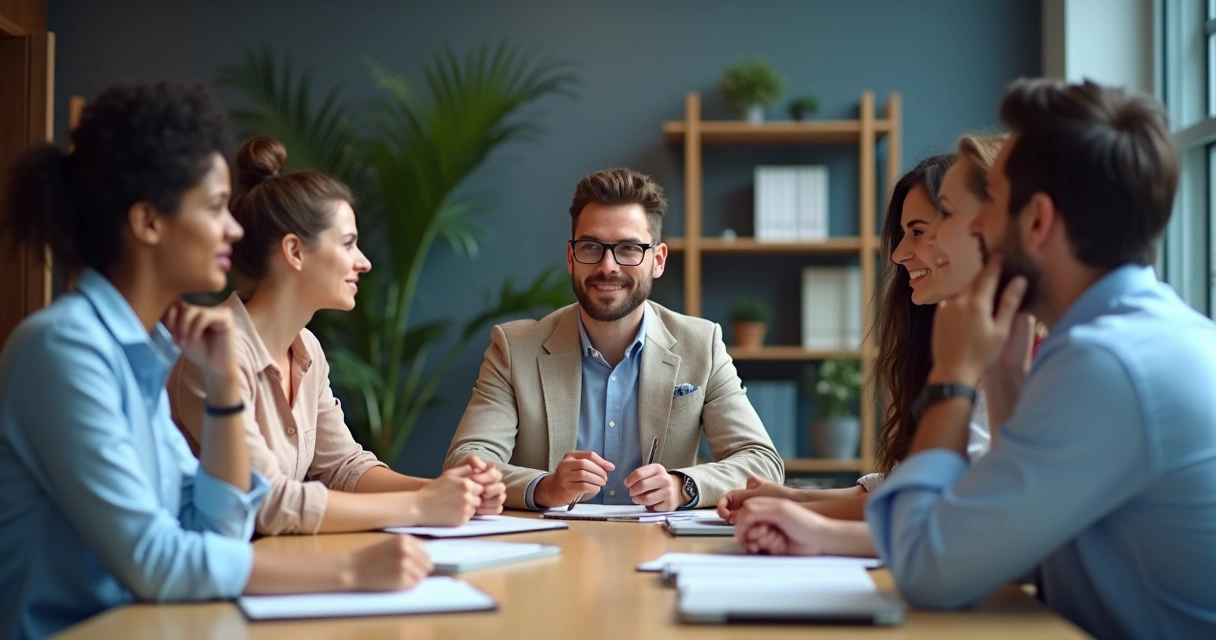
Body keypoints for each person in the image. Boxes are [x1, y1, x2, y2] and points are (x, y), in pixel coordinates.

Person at [0, 81, 431, 640]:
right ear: (148, 222)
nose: (233, 227)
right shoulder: (63, 349)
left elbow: (218, 527)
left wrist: (226, 389)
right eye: (212, 207)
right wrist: (348, 571)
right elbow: (155, 559)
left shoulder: (144, 350)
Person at [864, 78, 1216, 638]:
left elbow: (926, 567)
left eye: (991, 204)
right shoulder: (1137, 335)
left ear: (1037, 221)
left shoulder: (1105, 365)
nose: (974, 228)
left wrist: (953, 376)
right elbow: (1008, 541)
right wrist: (1004, 376)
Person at [169, 136, 504, 535]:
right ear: (295, 252)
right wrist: (422, 505)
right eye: (348, 244)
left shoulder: (306, 349)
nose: (364, 262)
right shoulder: (210, 353)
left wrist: (451, 492)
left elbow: (343, 466)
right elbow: (267, 502)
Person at [728, 136, 1011, 556]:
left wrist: (810, 523)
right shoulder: (965, 341)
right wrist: (797, 501)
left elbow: (940, 510)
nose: (898, 254)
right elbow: (913, 485)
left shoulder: (1021, 357)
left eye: (920, 231)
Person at [444, 167, 783, 510]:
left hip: (657, 540)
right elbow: (465, 462)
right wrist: (545, 488)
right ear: (571, 257)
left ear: (657, 260)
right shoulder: (514, 348)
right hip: (551, 539)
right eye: (591, 246)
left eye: (629, 248)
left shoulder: (701, 345)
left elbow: (761, 462)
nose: (608, 266)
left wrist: (684, 486)